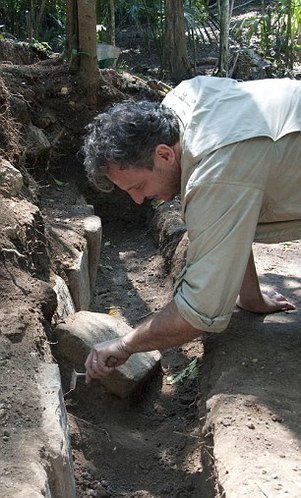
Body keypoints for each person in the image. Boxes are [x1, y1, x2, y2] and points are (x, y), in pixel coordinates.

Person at [83, 75, 301, 382]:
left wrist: (126, 343)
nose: (137, 199)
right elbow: (231, 221)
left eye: (138, 186)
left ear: (163, 155)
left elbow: (201, 312)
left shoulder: (215, 171)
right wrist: (250, 297)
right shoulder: (181, 104)